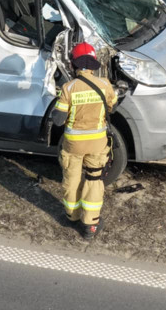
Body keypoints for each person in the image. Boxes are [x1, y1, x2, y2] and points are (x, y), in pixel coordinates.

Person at [51, 42, 118, 239]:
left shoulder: (68, 88)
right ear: (93, 63)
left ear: (74, 64)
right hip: (97, 143)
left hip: (73, 145)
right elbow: (112, 107)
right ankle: (90, 226)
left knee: (72, 180)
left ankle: (71, 216)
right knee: (94, 179)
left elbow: (58, 120)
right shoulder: (105, 84)